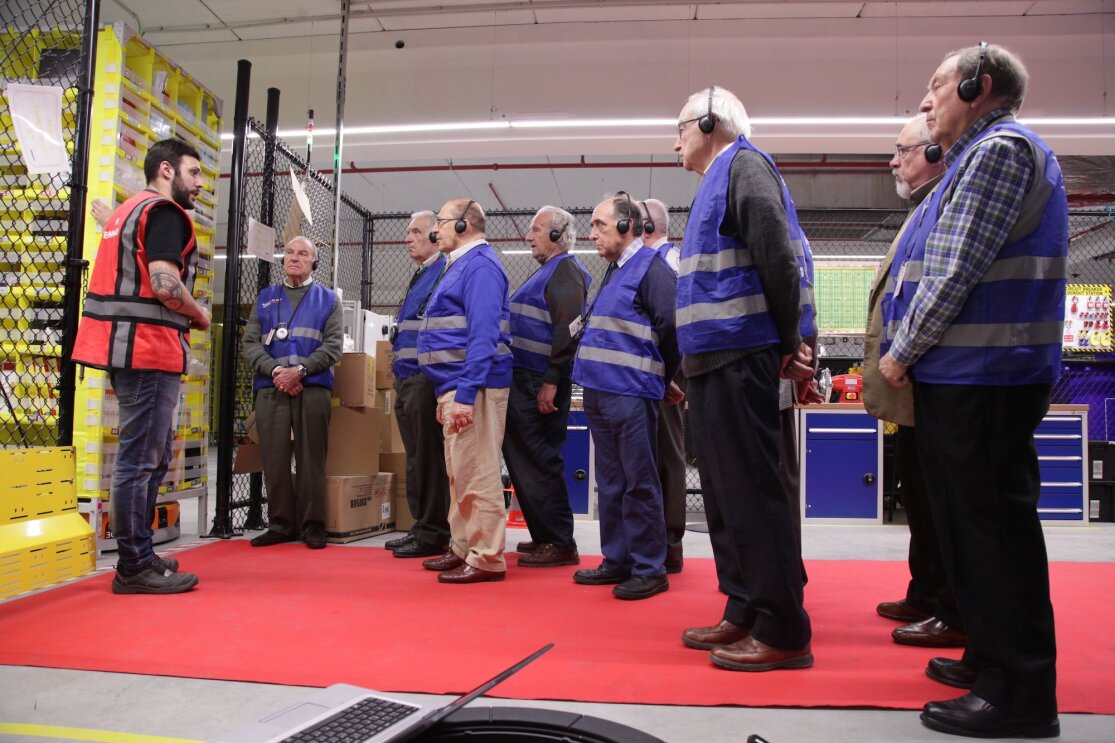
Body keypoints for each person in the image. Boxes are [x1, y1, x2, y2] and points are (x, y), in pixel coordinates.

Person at [879, 43, 1066, 739]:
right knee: (970, 529)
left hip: (985, 376)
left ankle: (1018, 692)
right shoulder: (976, 158)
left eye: (936, 86)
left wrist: (899, 355)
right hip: (968, 374)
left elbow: (953, 272)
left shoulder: (998, 151)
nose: (926, 101)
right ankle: (989, 656)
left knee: (991, 533)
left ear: (975, 86)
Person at [672, 87, 815, 671]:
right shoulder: (716, 180)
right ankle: (745, 607)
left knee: (754, 493)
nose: (674, 139)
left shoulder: (745, 165)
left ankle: (783, 629)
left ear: (709, 122)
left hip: (741, 354)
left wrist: (789, 342)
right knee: (727, 497)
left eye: (680, 126)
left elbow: (780, 258)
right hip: (712, 361)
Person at [71, 138, 210, 594]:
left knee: (148, 454)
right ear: (166, 170)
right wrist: (199, 313)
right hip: (147, 348)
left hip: (120, 347)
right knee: (141, 458)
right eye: (194, 173)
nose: (200, 184)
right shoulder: (165, 213)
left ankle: (141, 553)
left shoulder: (126, 212)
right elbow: (166, 284)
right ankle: (134, 564)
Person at [863, 116, 965, 650]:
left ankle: (949, 604)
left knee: (938, 501)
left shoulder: (944, 201)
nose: (893, 160)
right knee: (919, 497)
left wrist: (901, 356)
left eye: (901, 150)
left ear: (932, 150)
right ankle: (926, 591)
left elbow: (942, 287)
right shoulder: (922, 208)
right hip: (911, 382)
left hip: (928, 375)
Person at [570, 194, 681, 601]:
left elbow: (672, 327)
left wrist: (660, 377)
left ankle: (650, 568)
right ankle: (617, 560)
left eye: (600, 224)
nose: (592, 233)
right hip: (601, 391)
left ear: (627, 226)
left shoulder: (651, 267)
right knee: (612, 481)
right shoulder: (615, 271)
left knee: (639, 480)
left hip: (631, 393)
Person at [418, 199, 513, 584]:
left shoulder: (481, 267)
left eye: (439, 221)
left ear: (462, 225)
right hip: (456, 385)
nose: (433, 230)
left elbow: (484, 335)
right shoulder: (459, 266)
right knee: (460, 473)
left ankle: (488, 557)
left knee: (478, 473)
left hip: (473, 386)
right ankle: (463, 547)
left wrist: (464, 392)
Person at [242, 237, 343, 550]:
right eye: (288, 252)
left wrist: (299, 372)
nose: (294, 258)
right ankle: (281, 524)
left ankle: (313, 525)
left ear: (314, 262)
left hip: (311, 387)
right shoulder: (266, 297)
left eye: (302, 254)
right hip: (271, 387)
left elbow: (333, 346)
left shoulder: (328, 299)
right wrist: (276, 372)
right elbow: (250, 343)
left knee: (312, 457)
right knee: (274, 457)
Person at [503, 206, 590, 567]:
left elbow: (567, 332)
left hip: (538, 380)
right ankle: (545, 535)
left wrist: (551, 382)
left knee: (539, 459)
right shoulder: (548, 273)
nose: (528, 236)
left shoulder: (566, 272)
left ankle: (559, 542)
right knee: (527, 459)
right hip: (529, 378)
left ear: (557, 235)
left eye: (536, 230)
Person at [384, 211, 452, 558]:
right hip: (408, 376)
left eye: (414, 232)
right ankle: (422, 526)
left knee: (427, 458)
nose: (407, 238)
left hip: (425, 378)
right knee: (416, 457)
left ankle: (433, 532)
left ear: (435, 236)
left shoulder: (444, 271)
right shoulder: (422, 274)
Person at [637, 198, 687, 574]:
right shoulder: (656, 261)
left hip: (668, 371)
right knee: (655, 454)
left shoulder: (664, 262)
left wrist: (667, 376)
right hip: (657, 370)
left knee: (667, 455)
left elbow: (671, 324)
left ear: (647, 227)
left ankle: (670, 543)